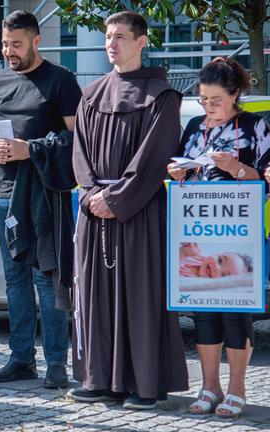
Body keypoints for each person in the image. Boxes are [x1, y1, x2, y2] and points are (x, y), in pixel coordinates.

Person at [70, 11, 189, 409]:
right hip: (94, 213)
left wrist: (116, 200)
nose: (111, 43)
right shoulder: (90, 95)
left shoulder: (162, 96)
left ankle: (144, 384)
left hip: (138, 214)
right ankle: (99, 378)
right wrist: (91, 196)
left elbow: (153, 160)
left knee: (139, 299)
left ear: (141, 42)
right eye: (107, 36)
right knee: (94, 297)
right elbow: (80, 155)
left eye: (120, 36)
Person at [0, 10, 81, 389]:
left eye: (16, 44)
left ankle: (56, 363)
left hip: (44, 199)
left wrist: (30, 150)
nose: (9, 51)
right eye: (5, 44)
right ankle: (21, 360)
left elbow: (77, 141)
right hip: (3, 196)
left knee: (46, 280)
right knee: (13, 280)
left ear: (36, 41)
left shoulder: (61, 81)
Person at [168, 57, 270, 417]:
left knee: (236, 313)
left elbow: (266, 177)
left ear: (235, 94)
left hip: (238, 234)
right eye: (203, 100)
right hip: (198, 227)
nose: (208, 107)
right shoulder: (196, 127)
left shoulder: (256, 126)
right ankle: (209, 386)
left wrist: (236, 168)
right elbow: (179, 165)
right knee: (204, 313)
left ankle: (237, 388)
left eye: (216, 100)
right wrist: (177, 170)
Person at [179, 242, 252, 279]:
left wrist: (182, 254)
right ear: (217, 253)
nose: (216, 267)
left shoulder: (192, 281)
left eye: (223, 275)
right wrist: (187, 245)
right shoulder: (198, 252)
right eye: (220, 260)